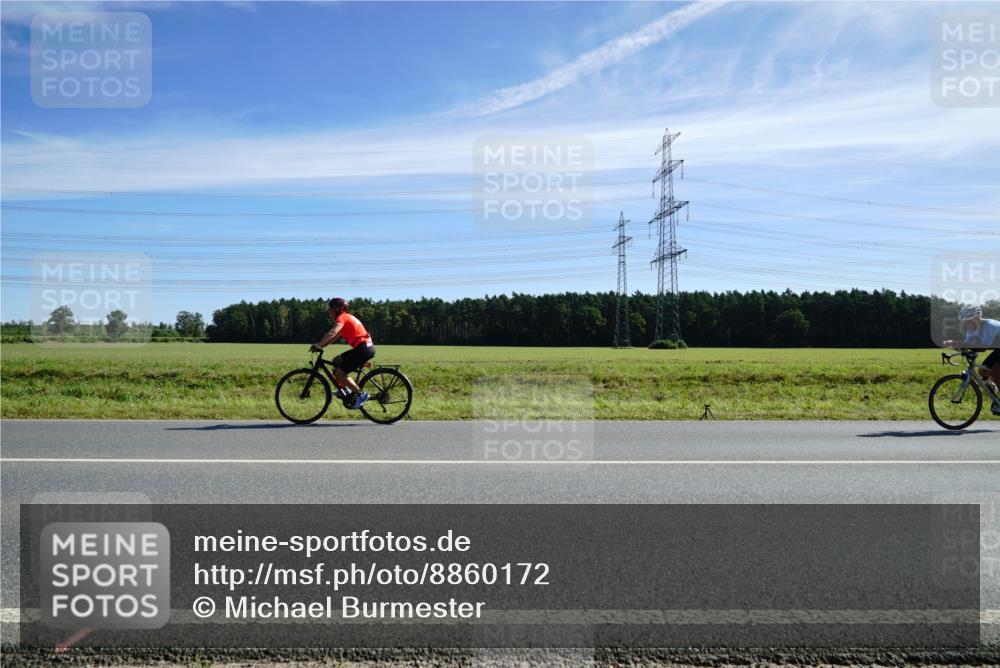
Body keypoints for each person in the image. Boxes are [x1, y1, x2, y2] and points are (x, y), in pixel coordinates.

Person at [311, 298, 374, 409]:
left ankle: (360, 394)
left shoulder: (342, 318)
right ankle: (344, 389)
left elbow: (333, 332)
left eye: (330, 309)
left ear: (337, 309)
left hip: (362, 349)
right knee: (336, 361)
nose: (328, 311)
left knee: (340, 374)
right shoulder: (346, 317)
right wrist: (322, 345)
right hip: (364, 347)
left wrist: (319, 344)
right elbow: (334, 337)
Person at [943, 304, 1000, 413]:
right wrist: (955, 350)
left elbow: (982, 348)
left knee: (995, 371)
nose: (966, 325)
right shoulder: (972, 329)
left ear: (977, 319)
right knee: (983, 371)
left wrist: (954, 342)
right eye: (964, 322)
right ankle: (995, 394)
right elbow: (967, 345)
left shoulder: (990, 326)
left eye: (968, 321)